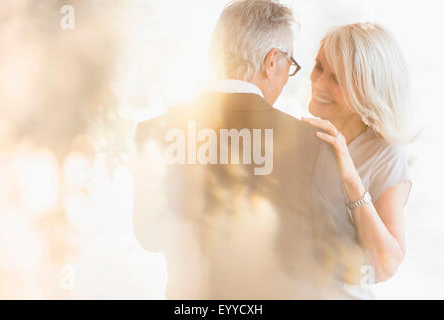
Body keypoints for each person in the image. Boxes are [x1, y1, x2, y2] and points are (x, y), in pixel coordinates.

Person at [132, 0, 337, 299]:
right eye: (289, 65)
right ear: (271, 62)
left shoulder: (154, 133)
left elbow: (149, 236)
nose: (285, 79)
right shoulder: (312, 142)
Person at [302, 23, 414, 299]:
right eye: (319, 67)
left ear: (367, 88)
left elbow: (387, 265)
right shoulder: (304, 137)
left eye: (337, 79)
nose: (318, 84)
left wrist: (351, 180)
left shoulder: (385, 155)